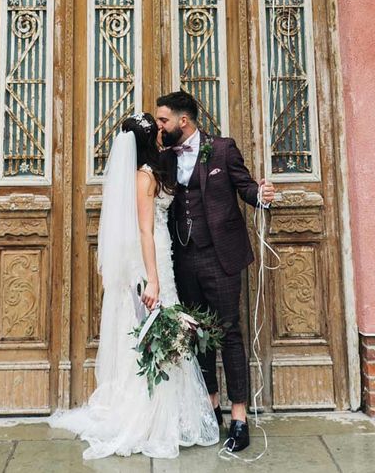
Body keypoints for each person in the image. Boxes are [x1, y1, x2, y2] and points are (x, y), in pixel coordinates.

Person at [47, 113, 219, 459]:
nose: (162, 134)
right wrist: (152, 279)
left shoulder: (152, 172)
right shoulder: (143, 178)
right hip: (150, 257)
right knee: (154, 323)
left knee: (158, 326)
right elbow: (143, 229)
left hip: (161, 252)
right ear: (146, 141)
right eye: (157, 131)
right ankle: (150, 416)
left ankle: (170, 412)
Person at [155, 90, 276, 453]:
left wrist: (262, 194)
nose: (160, 125)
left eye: (164, 120)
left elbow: (246, 187)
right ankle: (211, 405)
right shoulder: (163, 154)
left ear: (183, 121)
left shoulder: (222, 149)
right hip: (184, 257)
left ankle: (239, 416)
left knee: (229, 334)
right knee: (197, 335)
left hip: (220, 256)